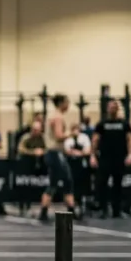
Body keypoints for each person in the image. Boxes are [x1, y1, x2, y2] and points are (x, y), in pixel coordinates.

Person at [36, 94, 78, 222]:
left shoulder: (51, 115)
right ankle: (71, 210)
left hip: (53, 152)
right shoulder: (58, 117)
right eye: (67, 103)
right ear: (61, 103)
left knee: (54, 183)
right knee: (67, 181)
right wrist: (72, 134)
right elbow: (59, 136)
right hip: (55, 153)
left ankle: (44, 211)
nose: (68, 106)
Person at [90, 100, 131, 219]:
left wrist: (130, 155)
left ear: (117, 109)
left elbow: (130, 139)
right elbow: (95, 140)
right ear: (107, 109)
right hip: (105, 158)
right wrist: (93, 155)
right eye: (110, 107)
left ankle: (116, 211)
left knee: (117, 185)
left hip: (119, 158)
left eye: (114, 107)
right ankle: (103, 210)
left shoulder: (124, 123)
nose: (112, 109)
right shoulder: (102, 123)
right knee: (102, 184)